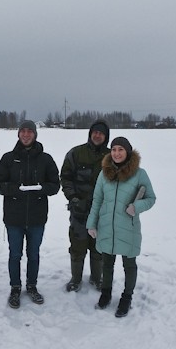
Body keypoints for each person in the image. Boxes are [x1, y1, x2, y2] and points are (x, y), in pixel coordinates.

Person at [0, 120, 60, 308]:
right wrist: (15, 188)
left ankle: (32, 286)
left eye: (30, 131)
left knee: (34, 254)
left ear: (35, 134)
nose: (26, 134)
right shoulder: (8, 158)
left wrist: (41, 189)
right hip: (14, 218)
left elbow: (55, 185)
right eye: (23, 131)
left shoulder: (46, 159)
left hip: (37, 218)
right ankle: (15, 287)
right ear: (18, 134)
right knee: (15, 254)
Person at [86, 136, 156, 317]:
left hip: (128, 227)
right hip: (107, 226)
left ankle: (126, 298)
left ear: (128, 152)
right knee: (107, 262)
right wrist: (91, 224)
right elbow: (97, 200)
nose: (116, 153)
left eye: (121, 150)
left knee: (129, 264)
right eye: (114, 149)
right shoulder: (104, 173)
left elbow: (151, 198)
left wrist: (136, 207)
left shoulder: (140, 174)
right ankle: (106, 293)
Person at [60, 120, 110, 291]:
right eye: (95, 132)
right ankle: (76, 279)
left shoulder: (112, 157)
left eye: (101, 133)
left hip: (102, 213)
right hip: (79, 211)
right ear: (90, 134)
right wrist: (73, 198)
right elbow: (65, 177)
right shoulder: (76, 153)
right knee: (77, 245)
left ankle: (97, 278)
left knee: (98, 247)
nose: (97, 135)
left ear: (106, 136)